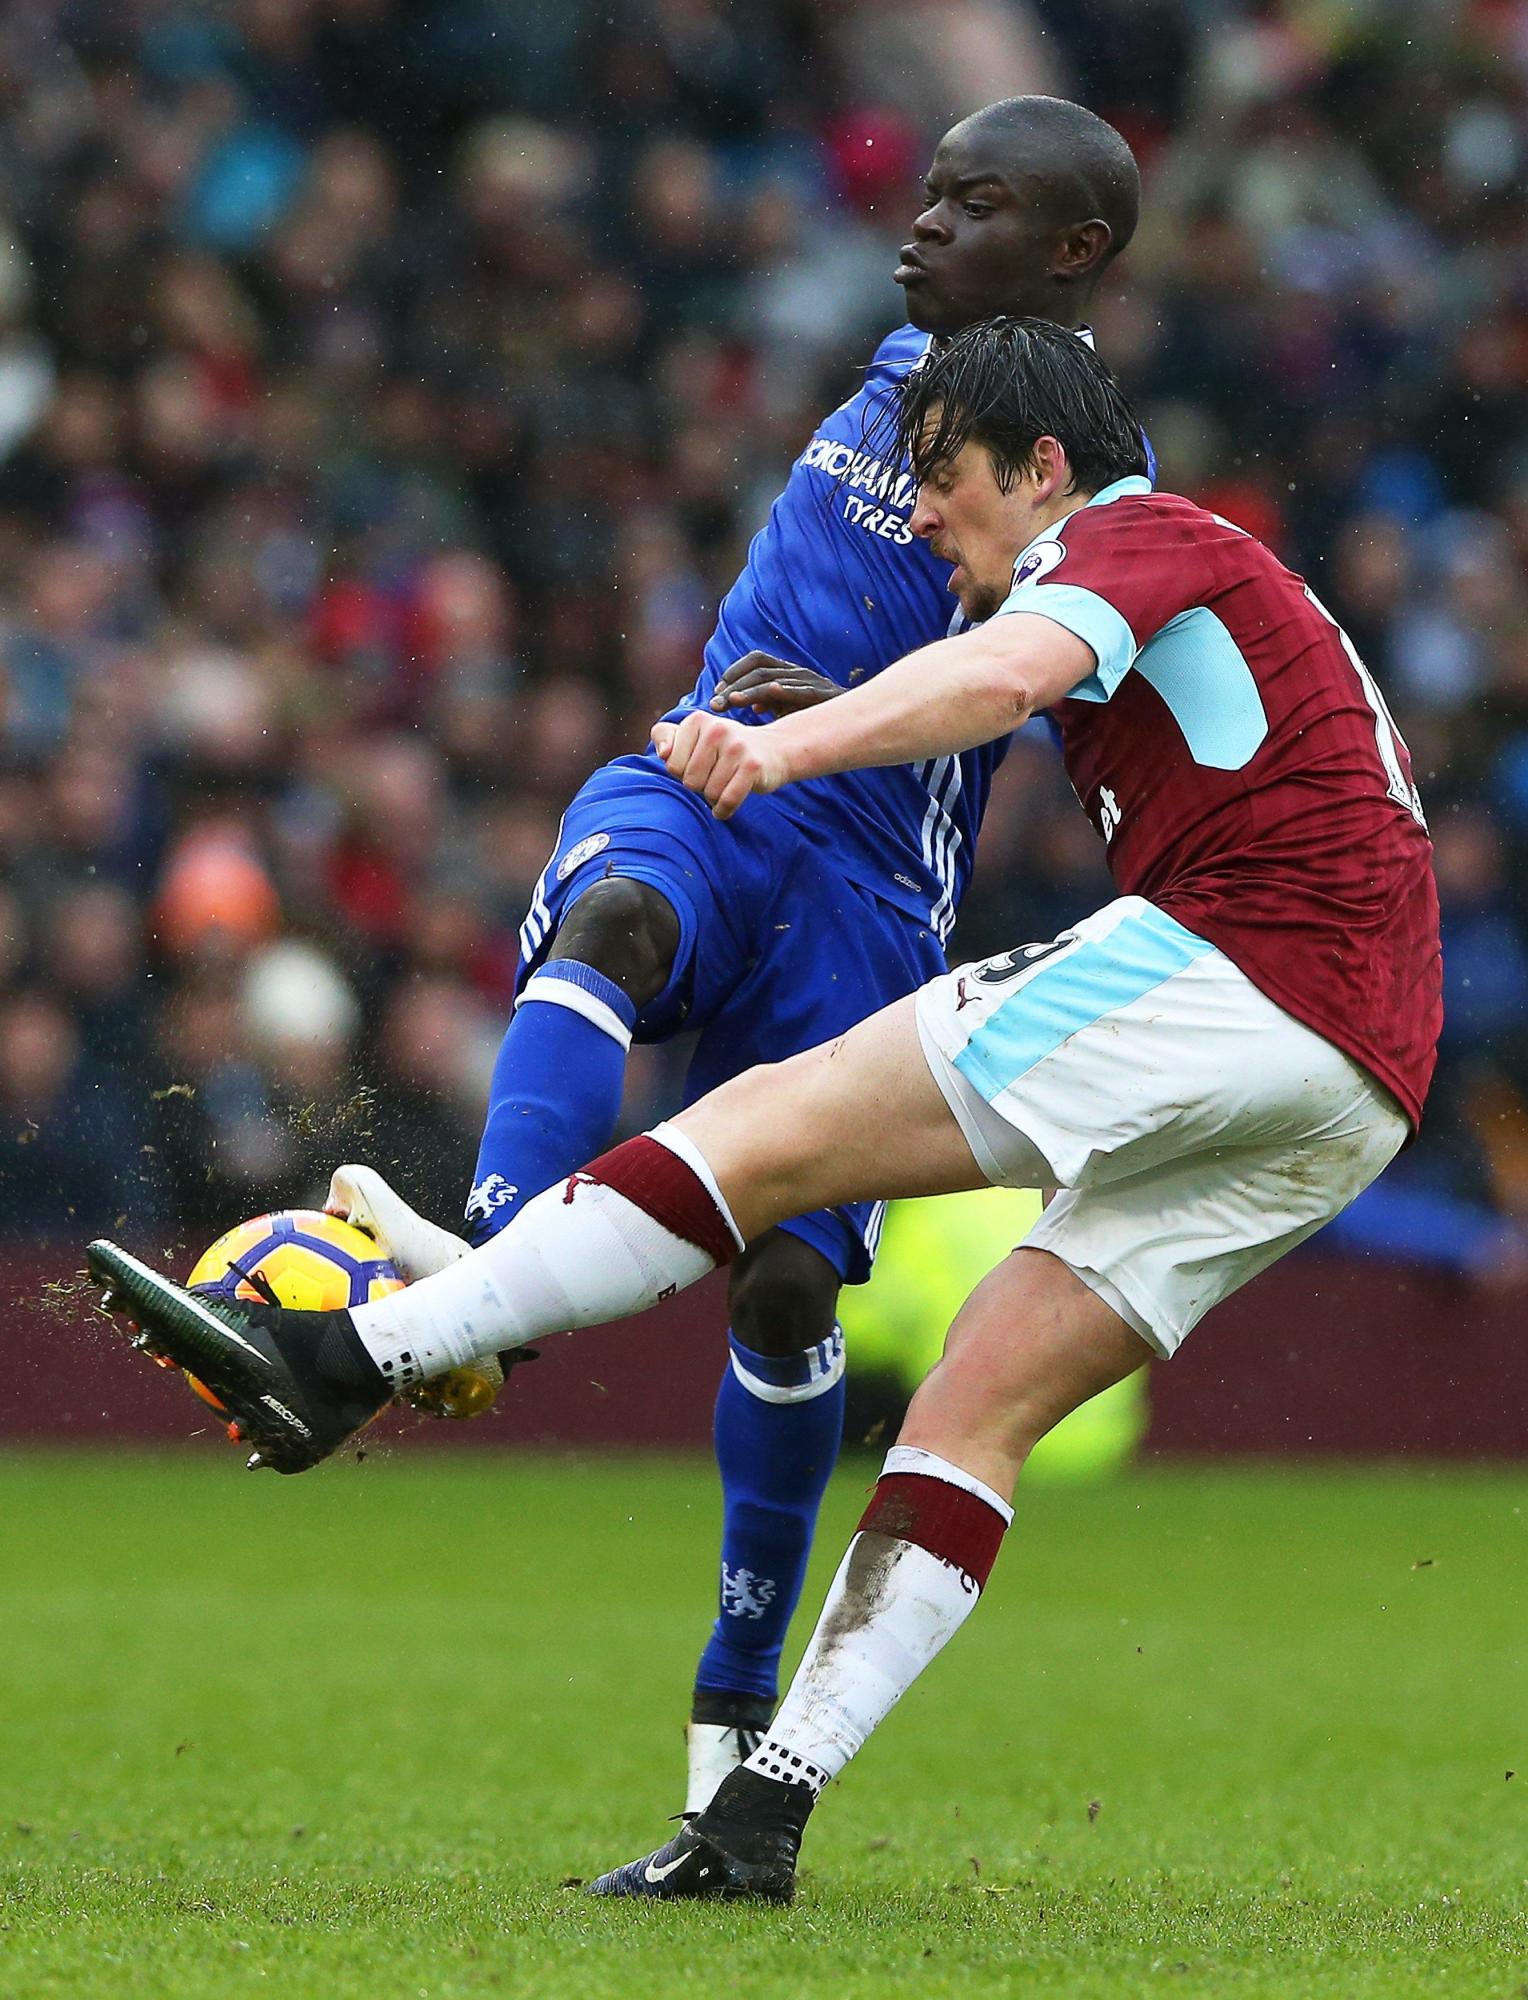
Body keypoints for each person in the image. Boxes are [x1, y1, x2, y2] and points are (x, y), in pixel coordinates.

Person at [89, 317, 1442, 1903]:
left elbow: (1009, 669)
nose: (921, 514)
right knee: (972, 1412)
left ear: (1046, 469)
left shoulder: (1135, 538)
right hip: (1363, 1076)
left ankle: (355, 1354)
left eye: (943, 481)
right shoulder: (1197, 582)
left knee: (762, 1134)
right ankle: (759, 1815)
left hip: (1254, 966)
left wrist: (775, 744)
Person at [322, 94, 1145, 1817]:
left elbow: (1031, 681)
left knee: (782, 1285)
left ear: (1074, 254)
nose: (919, 227)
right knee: (612, 918)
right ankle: (481, 1285)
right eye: (925, 197)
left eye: (971, 206)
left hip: (864, 884)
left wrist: (850, 717)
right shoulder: (892, 367)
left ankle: (729, 1703)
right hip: (704, 778)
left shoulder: (1089, 486)